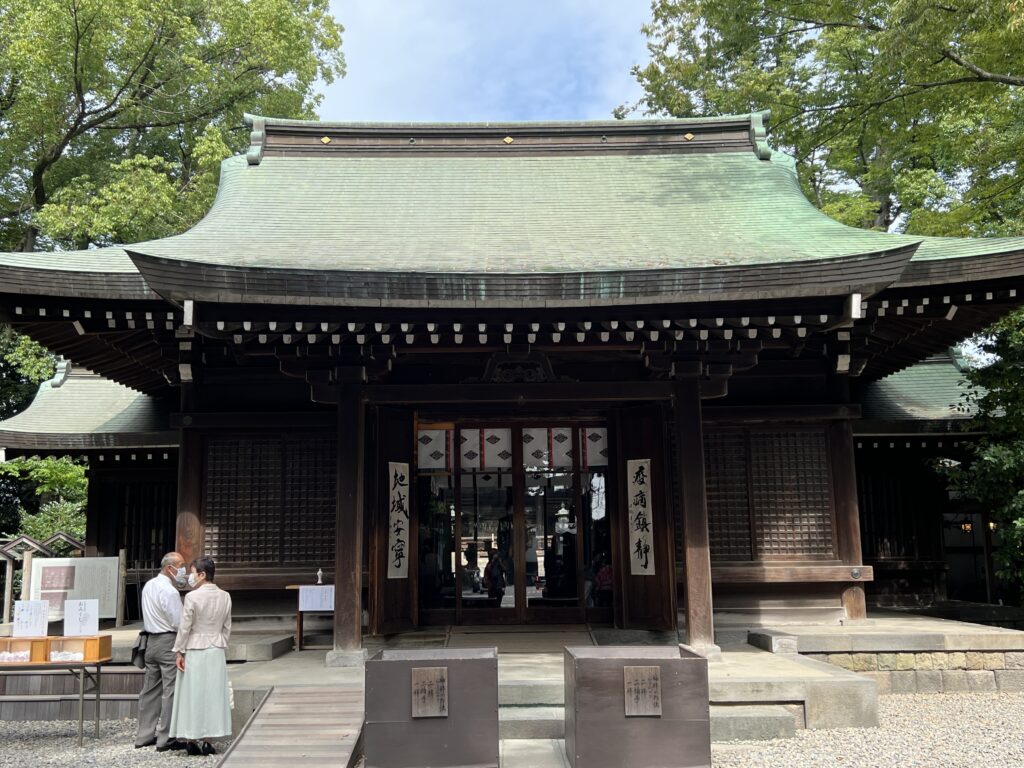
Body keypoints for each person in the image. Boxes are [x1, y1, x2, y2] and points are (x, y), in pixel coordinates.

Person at [169, 557, 233, 756]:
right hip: (216, 647)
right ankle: (208, 740)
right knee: (213, 693)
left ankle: (190, 739)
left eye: (193, 572)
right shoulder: (225, 596)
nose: (190, 576)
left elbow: (185, 627)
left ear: (202, 574)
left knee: (191, 694)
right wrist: (220, 640)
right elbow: (227, 626)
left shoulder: (192, 597)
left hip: (195, 647)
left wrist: (179, 650)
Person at [134, 551, 186, 752]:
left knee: (150, 690)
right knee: (170, 690)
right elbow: (178, 621)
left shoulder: (149, 586)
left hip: (150, 641)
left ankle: (144, 735)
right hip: (167, 641)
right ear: (169, 568)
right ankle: (166, 738)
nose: (182, 569)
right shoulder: (170, 592)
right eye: (180, 565)